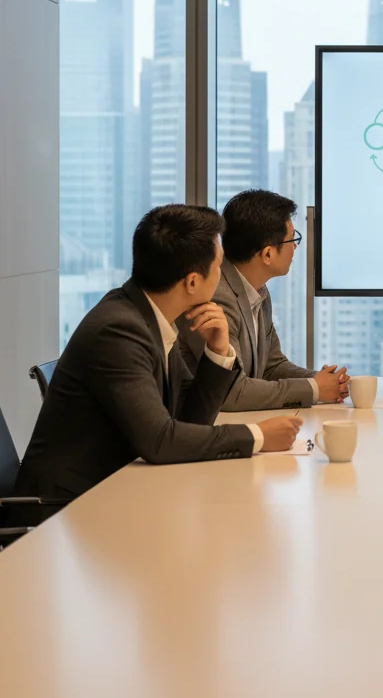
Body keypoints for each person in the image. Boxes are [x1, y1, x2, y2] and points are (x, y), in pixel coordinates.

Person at [14, 205, 303, 513]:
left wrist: (218, 352)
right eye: (219, 267)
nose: (223, 277)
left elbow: (188, 419)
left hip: (114, 493)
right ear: (192, 282)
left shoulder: (150, 315)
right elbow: (161, 441)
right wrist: (258, 435)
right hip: (63, 512)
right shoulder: (119, 329)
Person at [178, 190, 348, 411]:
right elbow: (231, 392)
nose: (295, 247)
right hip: (203, 427)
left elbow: (271, 365)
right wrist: (313, 388)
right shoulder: (216, 296)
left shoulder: (258, 290)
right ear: (267, 254)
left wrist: (321, 380)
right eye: (292, 239)